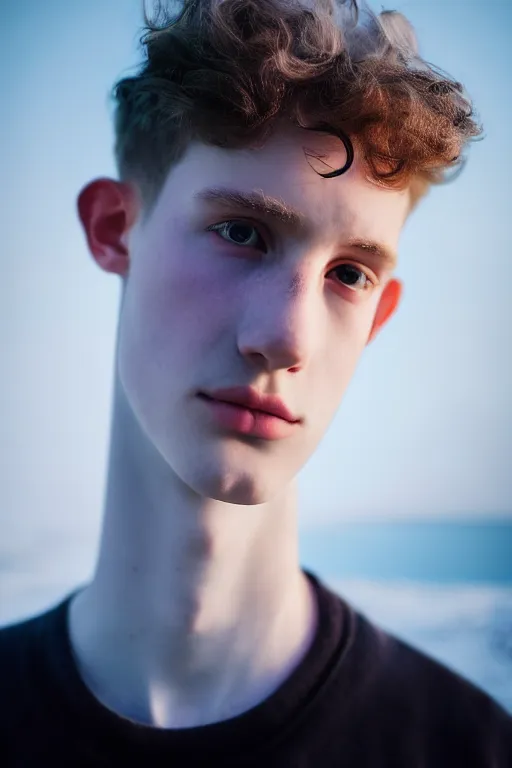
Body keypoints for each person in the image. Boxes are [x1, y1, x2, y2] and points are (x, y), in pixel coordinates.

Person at [1, 0, 511, 764]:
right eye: (241, 232)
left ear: (378, 318)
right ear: (113, 229)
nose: (286, 337)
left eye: (349, 274)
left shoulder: (470, 748)